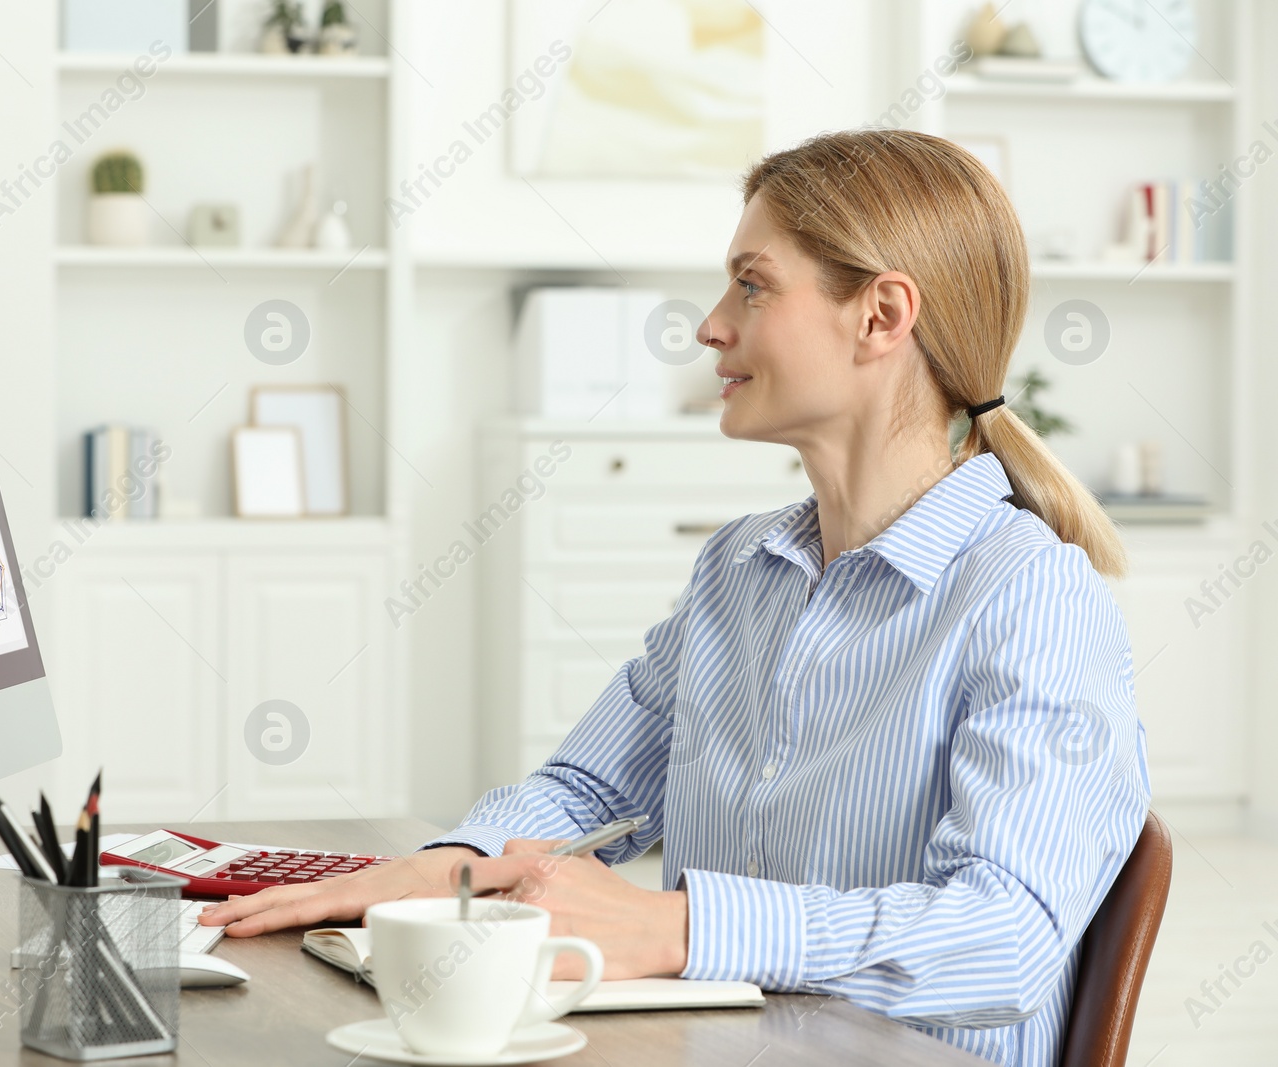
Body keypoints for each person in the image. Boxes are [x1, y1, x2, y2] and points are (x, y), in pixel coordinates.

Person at [200, 129, 1150, 1067]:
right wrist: (439, 869)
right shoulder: (740, 568)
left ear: (881, 315)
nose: (711, 325)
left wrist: (678, 927)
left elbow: (1004, 934)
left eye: (753, 283)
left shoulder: (1031, 595)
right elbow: (590, 789)